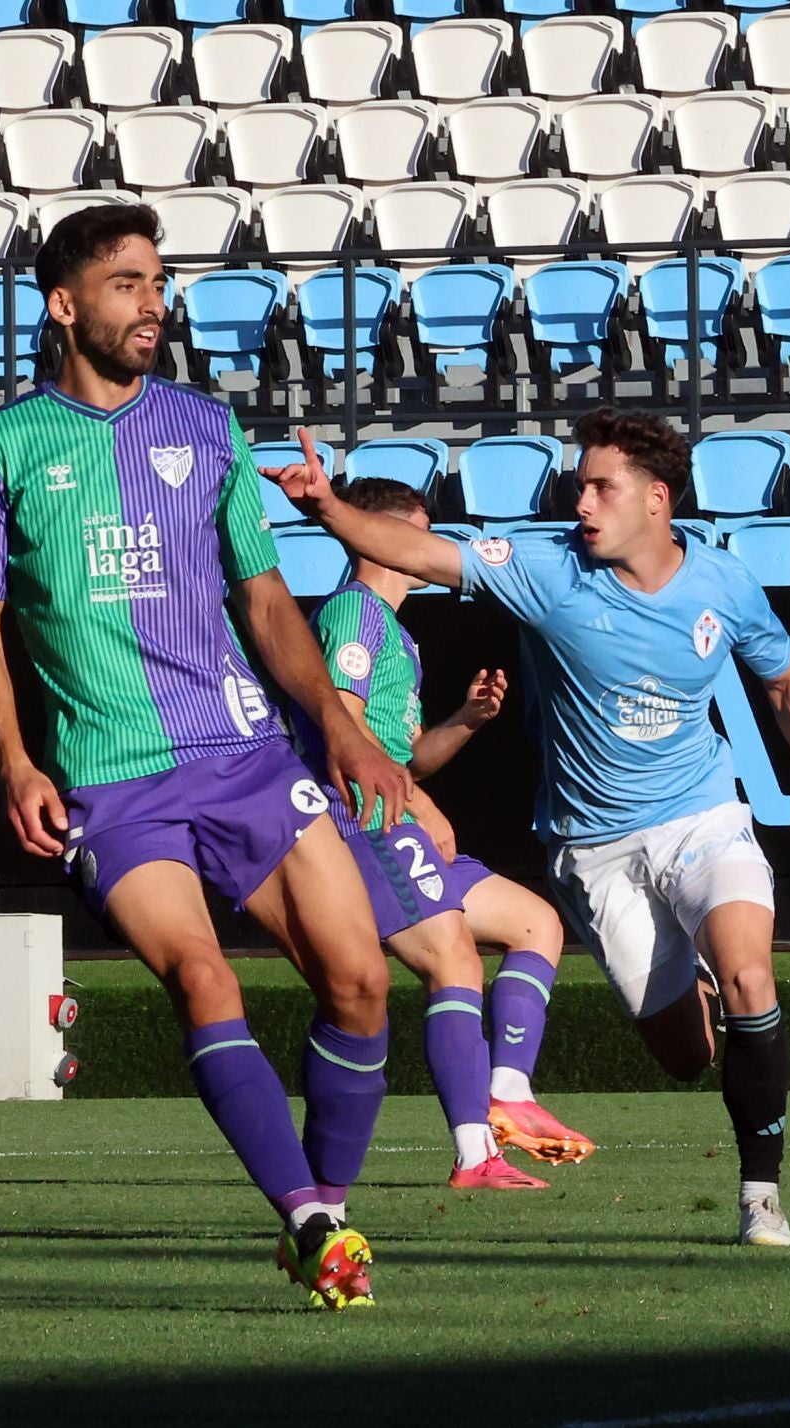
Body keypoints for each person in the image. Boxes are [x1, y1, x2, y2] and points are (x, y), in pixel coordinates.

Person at [0, 204, 408, 1310]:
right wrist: (16, 761)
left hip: (246, 753)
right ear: (64, 305)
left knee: (359, 983)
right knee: (201, 975)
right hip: (110, 778)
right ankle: (310, 1225)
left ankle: (324, 1209)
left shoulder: (207, 428)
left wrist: (341, 725)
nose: (154, 304)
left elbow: (263, 595)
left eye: (159, 283)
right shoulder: (4, 446)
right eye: (126, 285)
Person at [265, 408, 790, 1247]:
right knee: (689, 1057)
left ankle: (761, 1199)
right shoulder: (548, 570)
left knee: (751, 978)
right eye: (580, 483)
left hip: (701, 816)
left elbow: (785, 678)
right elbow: (421, 551)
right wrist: (326, 506)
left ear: (656, 500)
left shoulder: (724, 585)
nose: (580, 501)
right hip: (594, 850)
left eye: (599, 486)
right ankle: (699, 984)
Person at [292, 477, 592, 1191]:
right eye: (421, 537)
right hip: (362, 824)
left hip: (394, 815)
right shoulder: (354, 615)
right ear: (382, 537)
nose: (431, 554)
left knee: (535, 924)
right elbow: (341, 719)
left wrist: (465, 721)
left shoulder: (395, 632)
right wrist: (414, 800)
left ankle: (508, 1096)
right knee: (453, 962)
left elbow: (407, 751)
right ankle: (474, 1154)